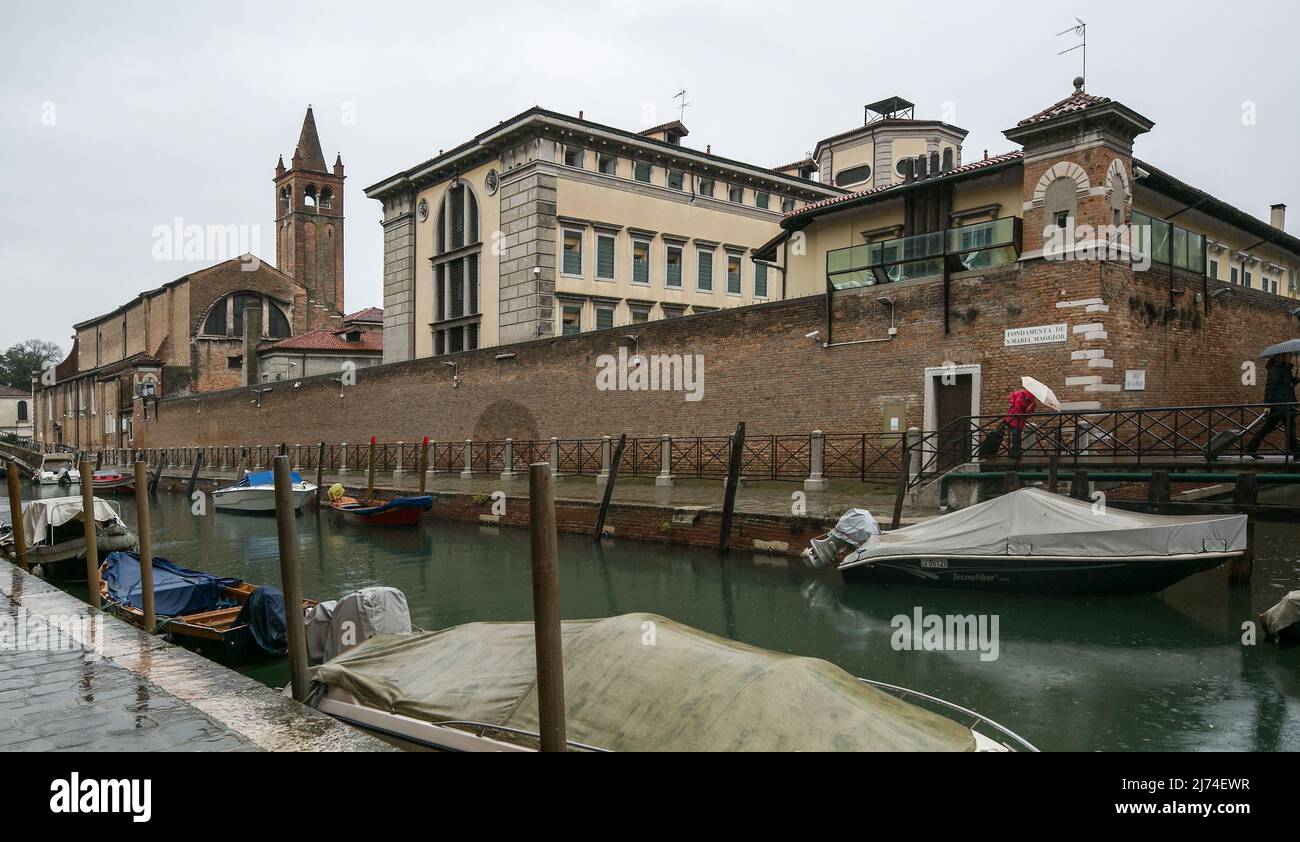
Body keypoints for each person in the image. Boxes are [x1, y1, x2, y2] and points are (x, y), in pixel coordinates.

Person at [1246, 354, 1300, 456]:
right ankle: (1296, 452)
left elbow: (1287, 386)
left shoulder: (1286, 370)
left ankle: (1250, 448)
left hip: (1286, 403)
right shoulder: (1274, 370)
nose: (1290, 357)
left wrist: (1296, 379)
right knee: (1290, 427)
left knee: (1269, 427)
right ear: (1279, 357)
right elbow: (1270, 388)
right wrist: (1267, 405)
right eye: (1288, 356)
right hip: (1280, 405)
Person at [1003, 386, 1038, 460]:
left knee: (1017, 436)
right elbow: (1013, 394)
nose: (1026, 399)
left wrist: (1029, 409)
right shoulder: (1020, 393)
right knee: (1015, 434)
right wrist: (1011, 402)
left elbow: (1029, 415)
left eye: (1028, 399)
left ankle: (1016, 452)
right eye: (1026, 398)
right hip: (1012, 417)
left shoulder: (1033, 403)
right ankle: (1015, 452)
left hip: (1020, 420)